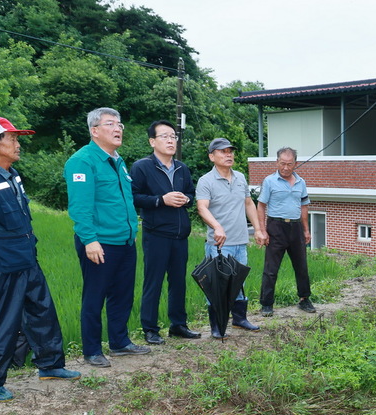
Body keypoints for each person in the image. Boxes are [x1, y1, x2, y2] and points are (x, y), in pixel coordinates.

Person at [0, 117, 80, 401]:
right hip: (1, 266)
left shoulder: (12, 174)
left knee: (42, 312)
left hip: (27, 260)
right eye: (12, 139)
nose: (18, 145)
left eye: (17, 139)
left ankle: (50, 365)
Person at [65, 107, 150, 368]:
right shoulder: (83, 161)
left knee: (122, 294)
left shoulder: (118, 160)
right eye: (111, 124)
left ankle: (120, 342)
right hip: (99, 243)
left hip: (124, 241)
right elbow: (80, 206)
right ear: (94, 131)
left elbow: (124, 202)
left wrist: (131, 232)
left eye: (120, 125)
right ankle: (91, 349)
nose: (118, 129)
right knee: (95, 295)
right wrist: (89, 239)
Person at [130, 120, 200, 345]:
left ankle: (178, 325)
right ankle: (150, 328)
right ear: (152, 141)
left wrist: (186, 198)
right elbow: (133, 197)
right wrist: (161, 200)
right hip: (156, 234)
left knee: (178, 282)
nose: (171, 140)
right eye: (165, 136)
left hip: (180, 235)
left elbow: (191, 193)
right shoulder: (142, 167)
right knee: (154, 282)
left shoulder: (182, 168)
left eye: (173, 136)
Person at [195, 138, 267, 337]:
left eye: (230, 151)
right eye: (222, 151)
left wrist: (259, 229)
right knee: (217, 286)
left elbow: (248, 204)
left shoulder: (240, 177)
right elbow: (202, 207)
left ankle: (239, 319)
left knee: (239, 283)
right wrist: (217, 227)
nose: (228, 155)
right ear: (212, 156)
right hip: (219, 245)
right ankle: (217, 327)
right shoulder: (205, 181)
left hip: (240, 242)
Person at [257, 147, 316, 316]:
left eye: (289, 164)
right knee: (271, 268)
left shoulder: (301, 182)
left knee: (301, 266)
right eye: (282, 163)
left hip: (296, 228)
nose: (285, 167)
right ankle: (266, 304)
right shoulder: (269, 181)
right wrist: (262, 230)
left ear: (295, 164)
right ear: (277, 162)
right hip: (276, 227)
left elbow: (304, 206)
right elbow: (261, 206)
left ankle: (304, 299)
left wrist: (306, 230)